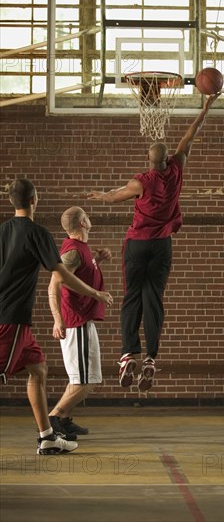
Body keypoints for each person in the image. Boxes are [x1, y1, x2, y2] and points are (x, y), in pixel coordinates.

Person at [87, 93, 220, 392]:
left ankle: (127, 354)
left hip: (136, 245)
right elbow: (190, 135)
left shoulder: (141, 182)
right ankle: (150, 358)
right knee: (153, 300)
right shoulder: (177, 169)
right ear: (166, 158)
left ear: (149, 161)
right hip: (162, 246)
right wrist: (206, 106)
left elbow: (113, 196)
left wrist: (100, 195)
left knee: (132, 297)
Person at [0, 179, 113, 454]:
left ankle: (48, 437)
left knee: (38, 369)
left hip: (20, 322)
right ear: (34, 200)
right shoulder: (37, 233)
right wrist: (96, 295)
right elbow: (60, 277)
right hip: (9, 316)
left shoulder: (3, 230)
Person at [47, 206, 111, 439]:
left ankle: (63, 420)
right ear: (82, 223)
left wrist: (96, 260)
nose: (89, 218)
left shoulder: (82, 250)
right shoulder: (72, 252)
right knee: (84, 381)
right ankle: (53, 419)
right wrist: (57, 320)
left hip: (83, 320)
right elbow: (54, 285)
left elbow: (77, 277)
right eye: (87, 216)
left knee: (84, 378)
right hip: (75, 322)